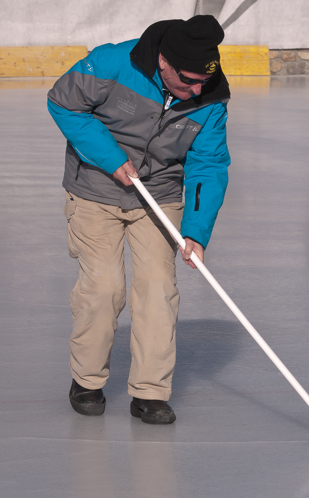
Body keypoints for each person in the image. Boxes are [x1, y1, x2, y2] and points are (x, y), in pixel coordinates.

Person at [47, 15, 231, 425]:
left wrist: (196, 232)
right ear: (164, 61)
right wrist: (111, 160)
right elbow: (63, 102)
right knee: (104, 287)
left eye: (204, 80)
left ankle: (150, 391)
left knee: (157, 289)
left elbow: (208, 165)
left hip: (159, 196)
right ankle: (87, 380)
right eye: (188, 80)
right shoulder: (113, 63)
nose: (196, 89)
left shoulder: (210, 97)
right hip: (95, 188)